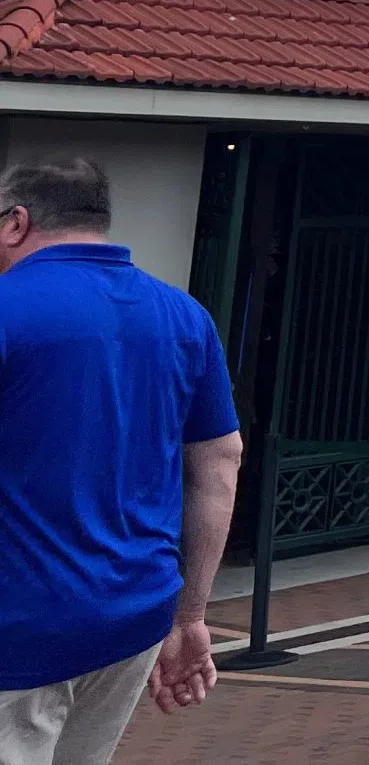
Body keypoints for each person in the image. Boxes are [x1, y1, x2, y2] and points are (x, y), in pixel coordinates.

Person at [0, 159, 241, 764]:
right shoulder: (185, 316)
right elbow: (220, 460)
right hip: (133, 613)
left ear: (15, 222)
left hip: (18, 620)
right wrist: (190, 616)